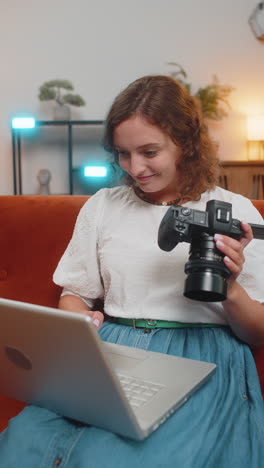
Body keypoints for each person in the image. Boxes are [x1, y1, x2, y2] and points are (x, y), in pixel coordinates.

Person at [1, 75, 264, 467]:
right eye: (123, 153)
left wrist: (231, 288)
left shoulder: (234, 211)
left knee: (121, 457)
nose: (135, 167)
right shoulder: (104, 206)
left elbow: (256, 332)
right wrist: (80, 323)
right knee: (23, 442)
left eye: (149, 151)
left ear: (185, 143)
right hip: (113, 350)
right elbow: (73, 294)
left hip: (201, 353)